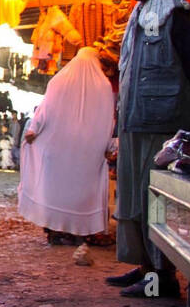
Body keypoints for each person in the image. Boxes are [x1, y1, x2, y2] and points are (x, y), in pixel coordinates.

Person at [106, 0, 190, 298]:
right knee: (132, 204)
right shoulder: (140, 14)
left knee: (156, 209)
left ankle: (161, 281)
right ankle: (146, 271)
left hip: (166, 130)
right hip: (136, 125)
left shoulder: (178, 15)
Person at [18, 47, 116, 244]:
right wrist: (108, 145)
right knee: (80, 191)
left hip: (56, 148)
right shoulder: (103, 86)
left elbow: (45, 109)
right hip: (86, 151)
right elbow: (108, 121)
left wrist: (33, 130)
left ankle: (55, 230)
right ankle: (78, 231)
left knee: (55, 190)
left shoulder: (59, 81)